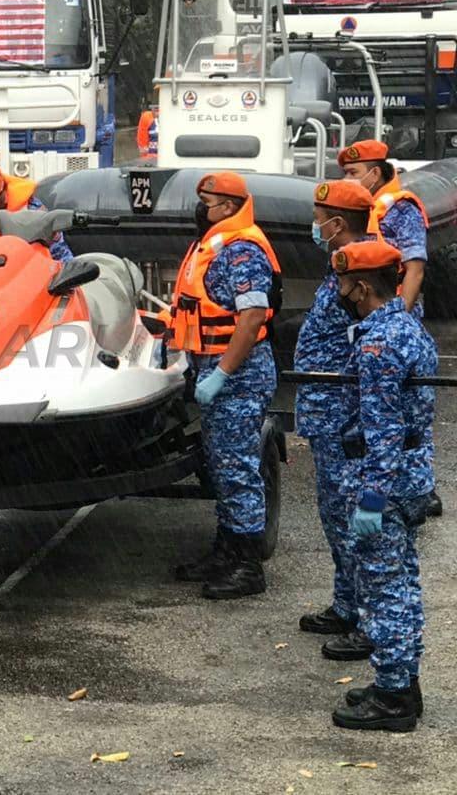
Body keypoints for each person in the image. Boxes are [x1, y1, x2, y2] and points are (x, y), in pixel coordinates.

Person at [330, 239, 435, 733]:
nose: (339, 290)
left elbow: (384, 429)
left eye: (344, 281)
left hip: (383, 484)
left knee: (384, 591)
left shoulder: (377, 343)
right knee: (403, 585)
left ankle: (393, 698)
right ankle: (402, 681)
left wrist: (371, 498)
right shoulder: (406, 326)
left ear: (363, 286)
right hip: (410, 478)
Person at [168, 172, 280, 599]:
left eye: (208, 202)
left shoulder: (242, 249)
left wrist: (223, 374)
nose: (201, 208)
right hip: (213, 368)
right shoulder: (212, 243)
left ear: (230, 207)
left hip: (239, 375)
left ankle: (247, 566)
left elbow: (251, 318)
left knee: (238, 467)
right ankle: (226, 551)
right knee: (222, 465)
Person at [295, 180, 378, 659]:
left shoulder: (365, 268)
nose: (314, 223)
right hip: (326, 415)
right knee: (334, 517)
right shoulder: (342, 266)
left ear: (338, 223)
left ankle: (368, 620)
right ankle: (347, 605)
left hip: (346, 417)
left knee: (356, 524)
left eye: (318, 214)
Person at [338, 140, 442, 518]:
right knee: (381, 409)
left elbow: (414, 267)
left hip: (395, 317)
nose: (348, 179)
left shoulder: (401, 209)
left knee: (411, 406)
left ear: (376, 172)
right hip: (372, 316)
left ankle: (421, 486)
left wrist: (400, 316)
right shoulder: (363, 210)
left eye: (353, 173)